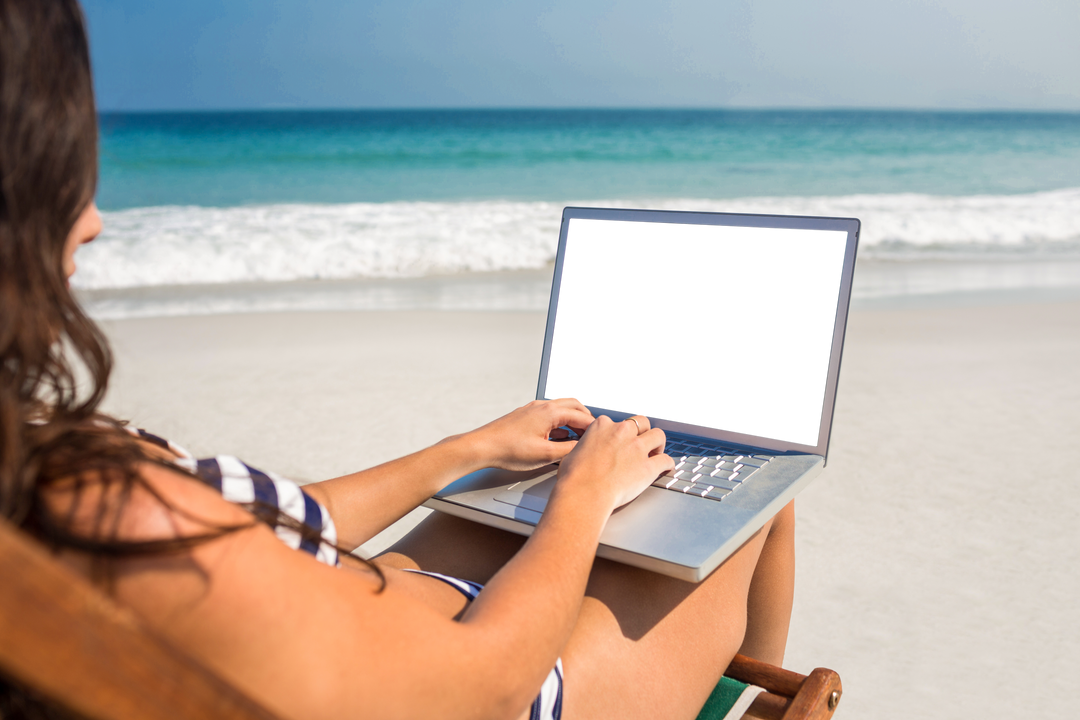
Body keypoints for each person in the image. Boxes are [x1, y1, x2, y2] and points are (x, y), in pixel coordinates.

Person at [0, 2, 796, 718]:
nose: (95, 219)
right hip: (514, 682)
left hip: (382, 617)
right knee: (761, 482)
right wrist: (583, 501)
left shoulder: (33, 462)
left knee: (718, 456)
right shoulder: (110, 513)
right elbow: (489, 685)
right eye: (64, 174)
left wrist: (468, 451)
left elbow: (267, 526)